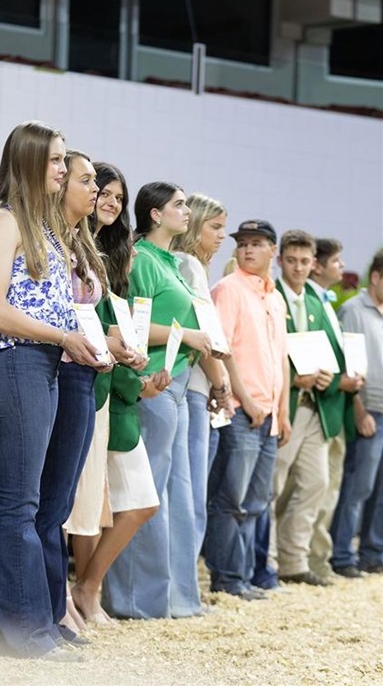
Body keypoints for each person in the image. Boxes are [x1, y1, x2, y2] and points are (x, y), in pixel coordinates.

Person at [0, 121, 100, 660]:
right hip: (13, 361)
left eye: (66, 161)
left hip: (39, 363)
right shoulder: (3, 221)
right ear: (29, 162)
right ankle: (27, 632)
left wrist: (86, 339)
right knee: (19, 502)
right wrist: (64, 336)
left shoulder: (41, 227)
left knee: (6, 503)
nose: (63, 171)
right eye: (57, 161)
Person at [102, 181, 213, 620]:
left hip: (181, 378)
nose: (187, 212)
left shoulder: (171, 262)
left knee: (178, 494)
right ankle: (134, 598)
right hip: (155, 379)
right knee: (148, 492)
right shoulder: (143, 259)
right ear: (154, 214)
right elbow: (131, 323)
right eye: (179, 205)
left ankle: (176, 598)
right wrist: (188, 335)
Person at [68, 163, 164, 626]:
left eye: (116, 196)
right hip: (89, 381)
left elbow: (123, 329)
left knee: (125, 501)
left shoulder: (116, 255)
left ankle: (88, 587)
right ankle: (82, 594)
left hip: (116, 385)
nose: (109, 201)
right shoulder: (75, 248)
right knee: (89, 501)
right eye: (101, 191)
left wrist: (136, 373)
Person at [36, 149, 113, 644]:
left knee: (62, 498)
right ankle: (53, 602)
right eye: (86, 180)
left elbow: (89, 317)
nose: (94, 190)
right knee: (51, 499)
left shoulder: (80, 243)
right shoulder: (44, 241)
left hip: (85, 372)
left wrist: (115, 344)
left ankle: (56, 596)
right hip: (56, 371)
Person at [205, 219, 290, 600]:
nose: (247, 250)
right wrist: (247, 399)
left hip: (269, 414)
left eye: (257, 244)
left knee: (256, 502)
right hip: (240, 410)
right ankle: (228, 578)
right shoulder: (228, 289)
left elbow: (281, 359)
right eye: (242, 244)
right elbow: (221, 350)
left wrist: (282, 411)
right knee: (230, 499)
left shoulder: (274, 297)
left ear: (273, 250)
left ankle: (246, 574)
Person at [270, 230, 344, 587]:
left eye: (304, 261)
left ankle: (294, 560)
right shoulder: (271, 294)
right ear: (280, 260)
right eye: (291, 260)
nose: (298, 268)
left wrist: (328, 374)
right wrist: (292, 377)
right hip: (287, 403)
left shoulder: (316, 301)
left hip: (316, 406)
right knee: (274, 484)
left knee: (317, 482)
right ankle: (266, 561)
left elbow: (330, 348)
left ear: (312, 263)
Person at [170, 193, 232, 558]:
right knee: (191, 489)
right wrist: (222, 384)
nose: (221, 235)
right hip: (193, 386)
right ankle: (184, 580)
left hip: (191, 385)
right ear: (195, 227)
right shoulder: (189, 264)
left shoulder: (191, 265)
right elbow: (205, 336)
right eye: (216, 227)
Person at [306, 238, 362, 581]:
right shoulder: (311, 300)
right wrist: (340, 380)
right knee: (312, 489)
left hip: (336, 406)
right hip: (319, 403)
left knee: (330, 489)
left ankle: (319, 560)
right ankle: (308, 561)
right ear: (319, 264)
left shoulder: (327, 301)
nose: (341, 267)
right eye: (336, 261)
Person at [330, 249, 383, 577]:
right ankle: (342, 555)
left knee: (380, 490)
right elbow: (347, 366)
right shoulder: (353, 310)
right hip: (368, 411)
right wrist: (360, 411)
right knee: (358, 486)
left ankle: (373, 551)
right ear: (376, 277)